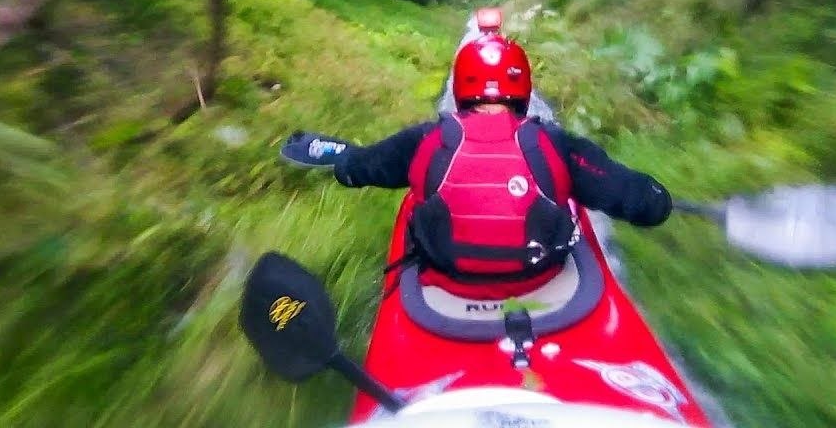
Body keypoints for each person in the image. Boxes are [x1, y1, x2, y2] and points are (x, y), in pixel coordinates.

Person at [284, 22, 671, 300]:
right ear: (522, 87)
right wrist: (657, 197)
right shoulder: (559, 145)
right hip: (543, 283)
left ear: (460, 87)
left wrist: (343, 162)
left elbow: (361, 168)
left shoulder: (424, 140)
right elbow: (648, 204)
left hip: (445, 291)